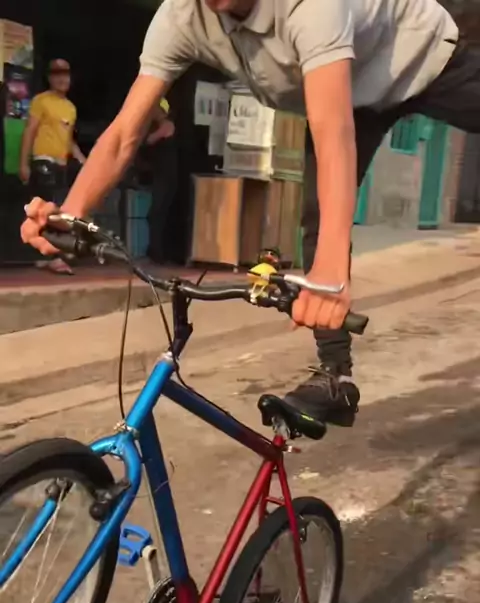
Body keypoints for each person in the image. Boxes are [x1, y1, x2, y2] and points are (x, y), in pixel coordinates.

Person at [20, 0, 480, 429]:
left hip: (417, 57)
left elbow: (332, 132)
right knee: (316, 215)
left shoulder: (309, 7)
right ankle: (335, 377)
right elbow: (126, 131)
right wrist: (70, 216)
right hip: (352, 94)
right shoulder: (182, 15)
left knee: (328, 250)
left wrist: (331, 277)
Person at [20, 58, 85, 274]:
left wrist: (84, 161)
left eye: (65, 74)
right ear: (49, 78)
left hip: (61, 163)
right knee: (45, 208)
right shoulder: (41, 101)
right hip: (43, 160)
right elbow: (30, 131)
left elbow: (69, 140)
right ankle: (53, 257)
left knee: (57, 209)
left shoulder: (71, 108)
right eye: (56, 74)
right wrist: (24, 163)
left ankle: (45, 254)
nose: (61, 79)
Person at [144, 98, 178, 264]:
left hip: (166, 176)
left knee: (157, 213)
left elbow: (149, 140)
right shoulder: (158, 126)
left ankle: (157, 252)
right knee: (157, 214)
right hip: (161, 174)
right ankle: (155, 250)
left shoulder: (167, 126)